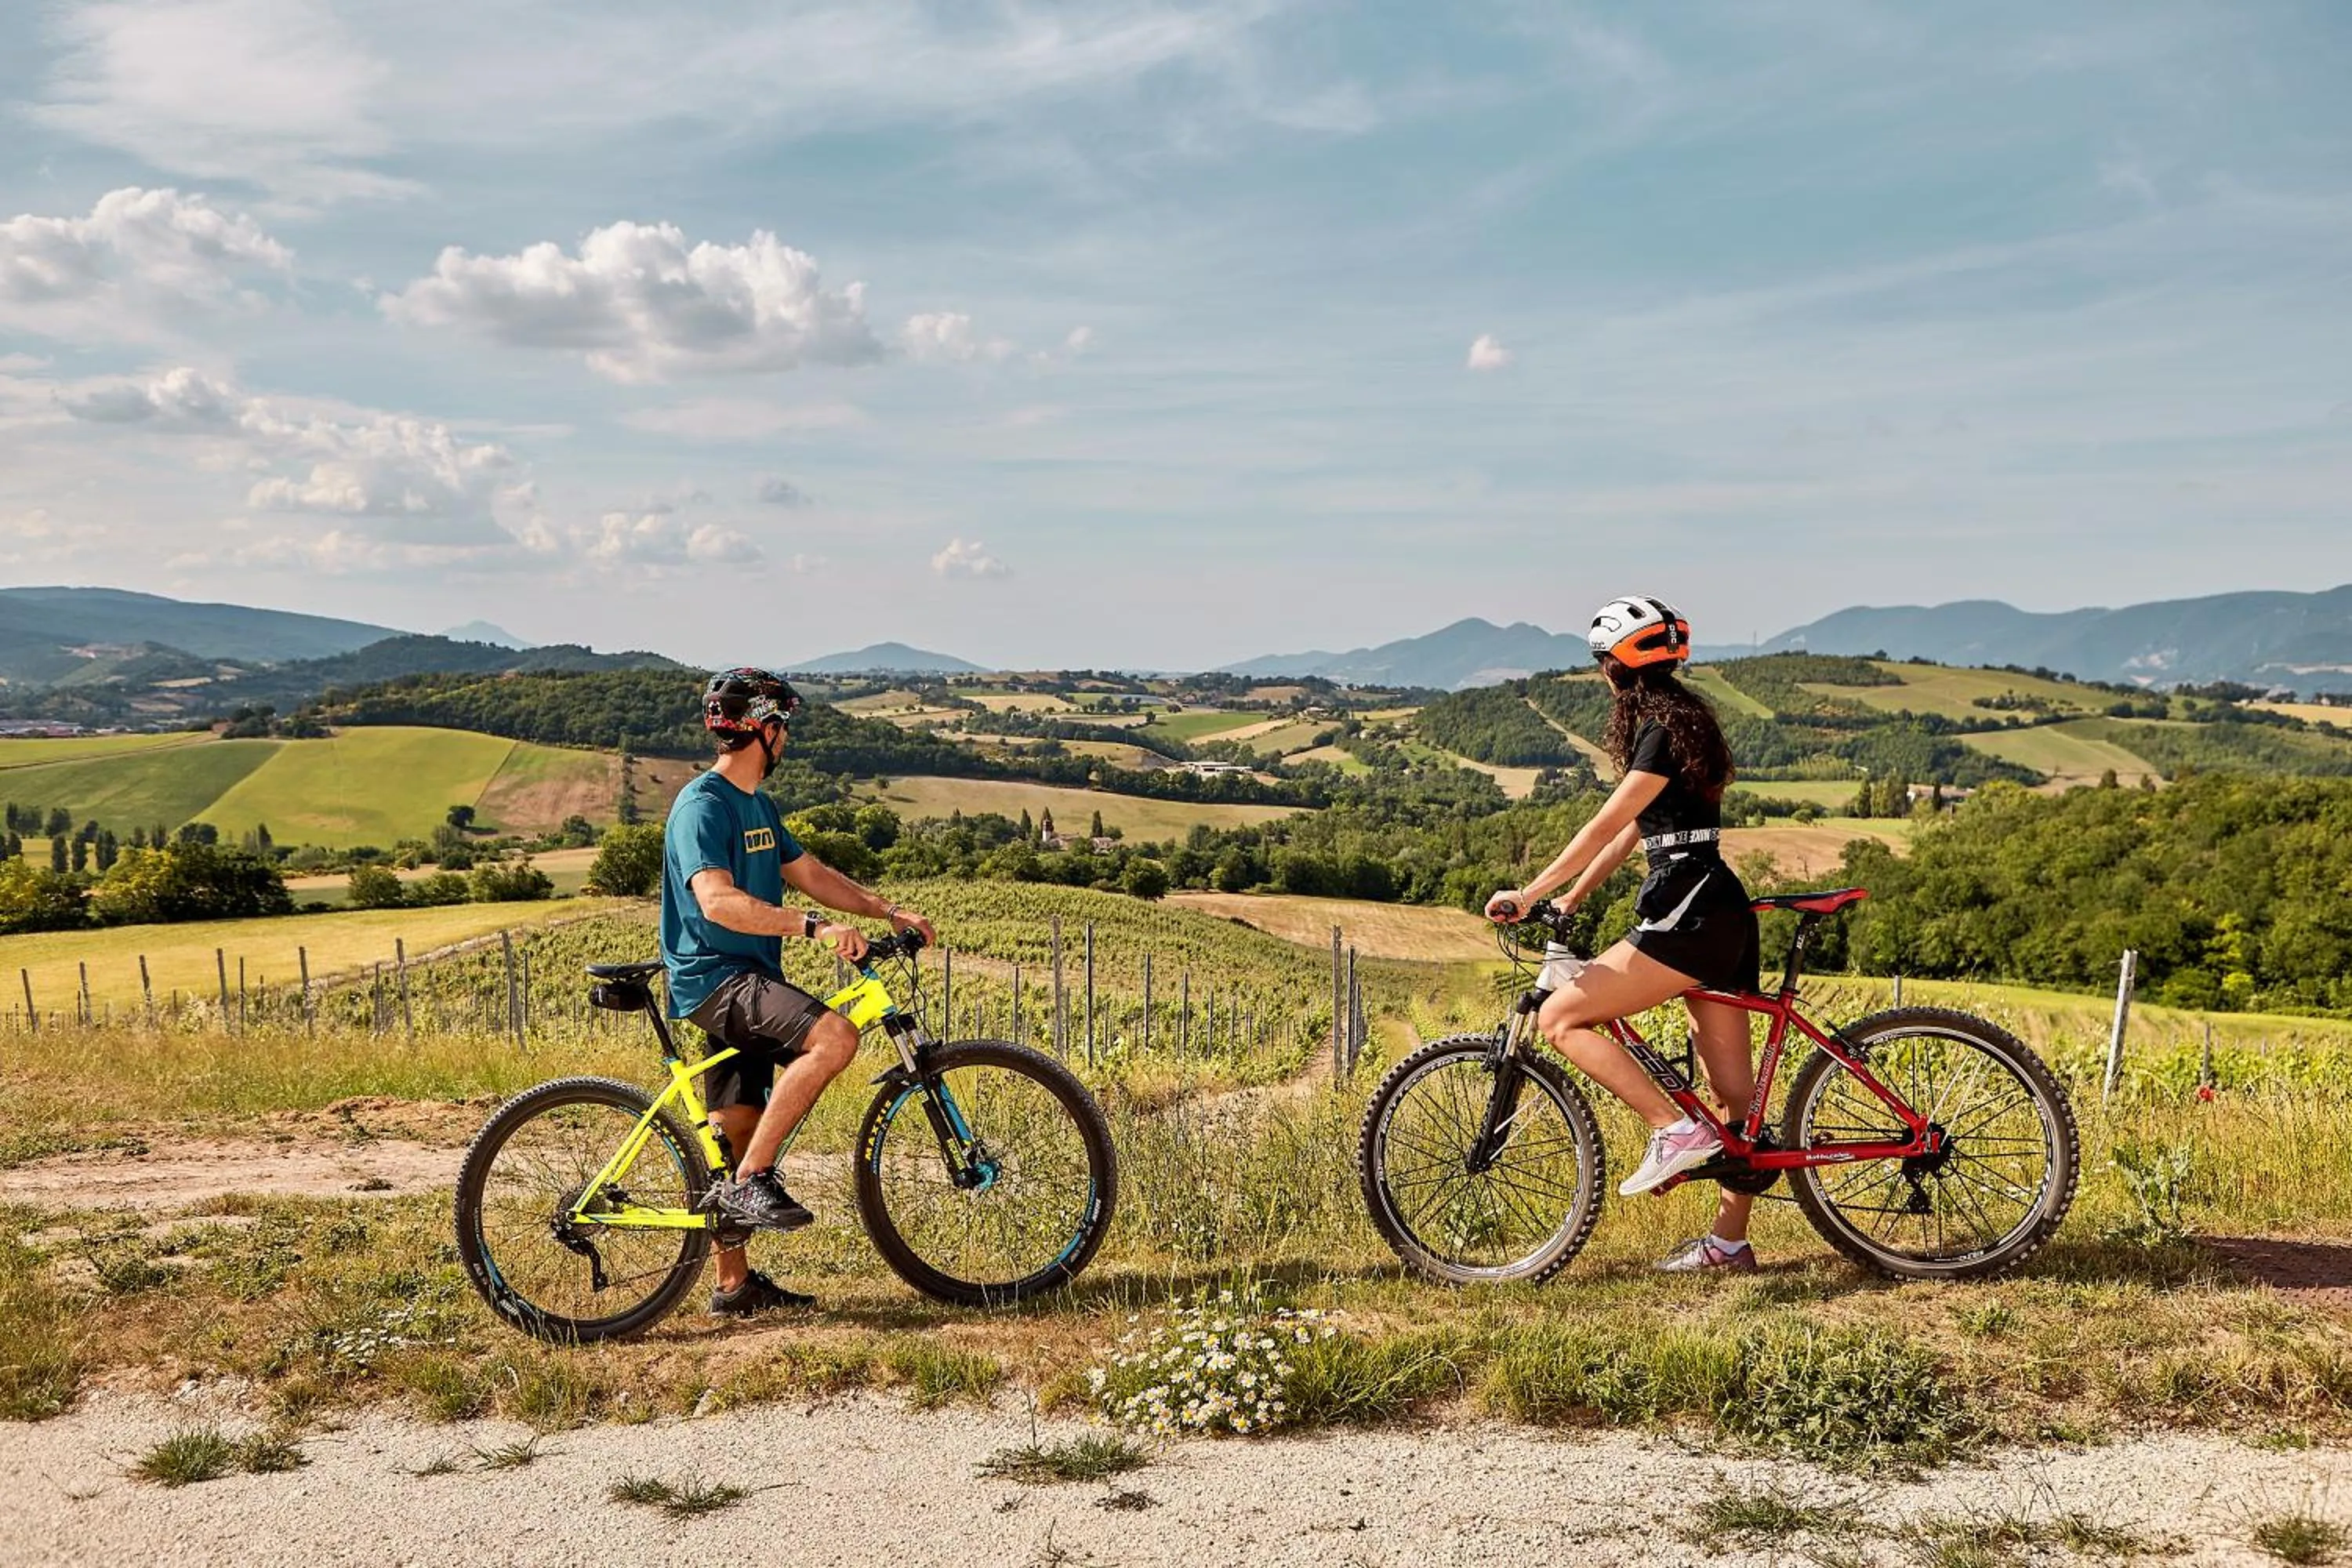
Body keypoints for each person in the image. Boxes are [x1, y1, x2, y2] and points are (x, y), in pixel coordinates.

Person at [1485, 596, 1766, 1274]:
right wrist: (1574, 898)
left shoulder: (1660, 732)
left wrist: (1528, 893)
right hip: (1720, 908)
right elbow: (1645, 829)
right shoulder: (1686, 722)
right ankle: (1729, 1245)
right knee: (1737, 1103)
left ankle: (1672, 1130)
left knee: (1560, 1017)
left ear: (1616, 666)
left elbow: (1606, 825)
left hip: (1685, 909)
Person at [660, 666, 935, 1316]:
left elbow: (810, 872)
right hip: (717, 978)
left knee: (735, 1130)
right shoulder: (704, 805)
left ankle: (733, 1285)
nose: (787, 739)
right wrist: (812, 928)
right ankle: (754, 1183)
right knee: (834, 1036)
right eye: (783, 726)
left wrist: (885, 910)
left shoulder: (757, 804)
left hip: (747, 979)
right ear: (764, 728)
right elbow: (717, 900)